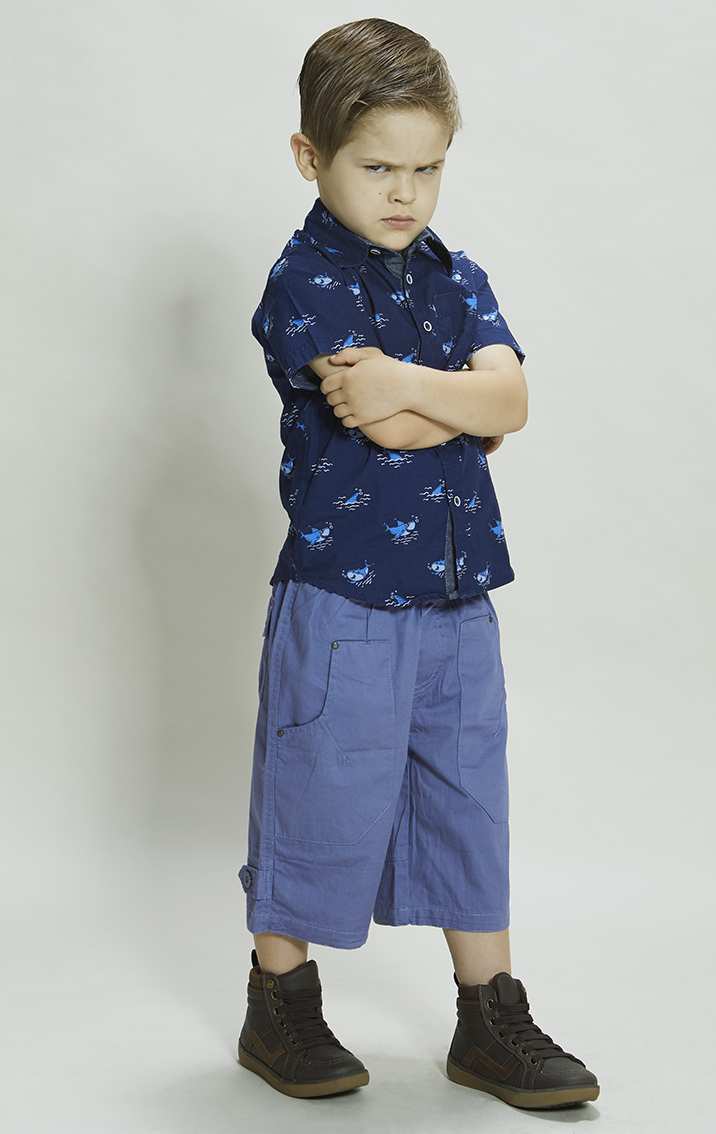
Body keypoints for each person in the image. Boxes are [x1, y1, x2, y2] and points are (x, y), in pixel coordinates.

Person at [237, 17, 600, 1110]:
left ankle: (488, 1017)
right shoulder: (304, 279)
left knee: (466, 794)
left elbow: (512, 401)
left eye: (427, 168)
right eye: (377, 167)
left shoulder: (457, 275)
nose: (405, 192)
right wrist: (451, 402)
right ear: (311, 157)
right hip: (343, 596)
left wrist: (406, 382)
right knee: (323, 787)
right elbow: (392, 428)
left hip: (456, 593)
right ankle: (279, 1001)